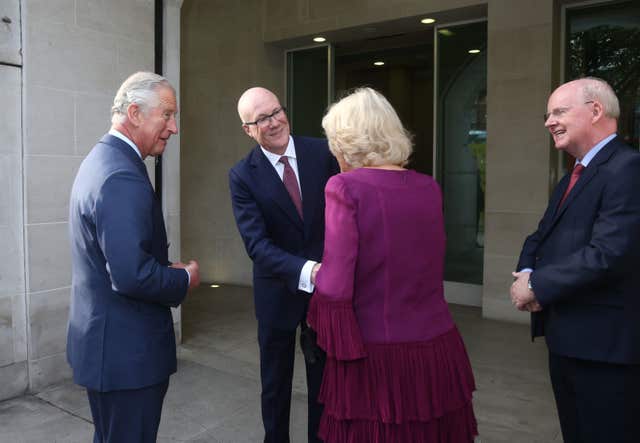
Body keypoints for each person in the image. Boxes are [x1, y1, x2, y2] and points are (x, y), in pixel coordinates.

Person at [307, 87, 477, 442]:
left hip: (375, 355)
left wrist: (315, 286)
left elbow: (336, 286)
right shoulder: (428, 187)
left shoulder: (343, 187)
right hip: (438, 348)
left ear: (344, 141)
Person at [67, 71, 200, 443]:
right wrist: (184, 279)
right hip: (127, 357)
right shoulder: (120, 175)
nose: (173, 128)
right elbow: (130, 275)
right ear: (136, 113)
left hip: (112, 349)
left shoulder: (104, 159)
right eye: (167, 115)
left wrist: (158, 268)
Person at [511, 77, 640, 443]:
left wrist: (536, 286)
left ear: (596, 110)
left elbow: (610, 253)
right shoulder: (575, 173)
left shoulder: (628, 168)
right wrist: (526, 272)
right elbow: (542, 236)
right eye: (548, 114)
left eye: (559, 111)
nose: (549, 121)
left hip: (606, 351)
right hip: (569, 340)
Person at [229, 87, 339, 443]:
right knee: (275, 387)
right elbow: (257, 245)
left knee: (324, 384)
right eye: (261, 119)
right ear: (248, 129)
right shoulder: (242, 175)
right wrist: (310, 270)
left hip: (326, 295)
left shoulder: (322, 153)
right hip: (277, 294)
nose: (273, 122)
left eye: (276, 112)